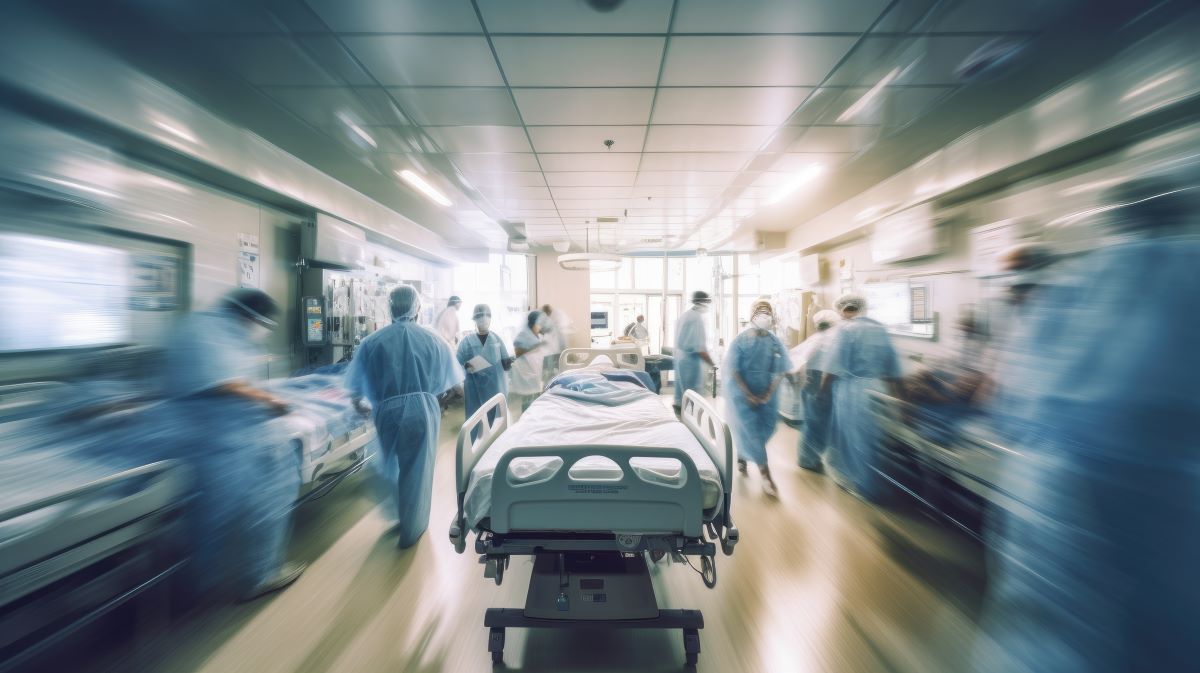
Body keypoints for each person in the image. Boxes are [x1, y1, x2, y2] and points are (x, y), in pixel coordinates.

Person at [973, 178, 1200, 673]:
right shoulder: (1192, 270)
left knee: (1055, 622)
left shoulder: (1078, 281)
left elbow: (1013, 398)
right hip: (1178, 483)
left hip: (1064, 478)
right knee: (1171, 626)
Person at [161, 288, 304, 602]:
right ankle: (261, 574)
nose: (260, 331)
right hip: (228, 441)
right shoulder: (214, 331)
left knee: (208, 514)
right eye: (261, 324)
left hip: (208, 437)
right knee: (269, 501)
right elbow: (226, 383)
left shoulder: (200, 324)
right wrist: (272, 401)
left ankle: (199, 582)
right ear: (250, 316)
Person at [346, 285, 463, 548]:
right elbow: (454, 385)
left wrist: (361, 407)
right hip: (422, 409)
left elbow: (354, 389)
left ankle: (398, 513)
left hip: (386, 410)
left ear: (389, 308)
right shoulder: (434, 340)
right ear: (417, 308)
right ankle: (412, 528)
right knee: (417, 469)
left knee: (389, 465)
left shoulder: (372, 342)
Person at [819, 292, 902, 499]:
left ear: (842, 310)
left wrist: (822, 390)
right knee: (872, 439)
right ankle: (871, 482)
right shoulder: (879, 329)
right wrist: (898, 400)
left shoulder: (845, 330)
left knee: (852, 438)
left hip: (852, 391)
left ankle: (859, 483)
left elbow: (832, 366)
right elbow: (892, 368)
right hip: (878, 391)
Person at [725, 300, 791, 497]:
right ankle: (766, 476)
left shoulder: (774, 341)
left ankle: (742, 454)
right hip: (742, 394)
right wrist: (748, 394)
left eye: (767, 311)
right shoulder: (741, 340)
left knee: (764, 430)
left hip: (766, 395)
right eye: (760, 311)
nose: (764, 315)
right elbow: (733, 369)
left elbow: (782, 368)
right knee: (752, 431)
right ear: (752, 315)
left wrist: (769, 392)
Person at [792, 309, 840, 472]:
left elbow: (796, 361)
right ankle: (808, 460)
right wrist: (822, 390)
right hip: (820, 385)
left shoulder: (814, 339)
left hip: (810, 383)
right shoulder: (829, 341)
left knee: (812, 421)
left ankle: (809, 458)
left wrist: (800, 380)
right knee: (817, 423)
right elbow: (830, 369)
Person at [456, 304, 512, 437]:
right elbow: (455, 365)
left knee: (497, 422)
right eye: (480, 316)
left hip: (496, 389)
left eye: (486, 316)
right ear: (474, 320)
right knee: (476, 422)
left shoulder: (497, 339)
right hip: (474, 391)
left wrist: (509, 361)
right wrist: (466, 367)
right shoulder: (466, 342)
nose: (483, 319)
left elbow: (506, 365)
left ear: (491, 319)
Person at [673, 291, 715, 414]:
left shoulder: (684, 316)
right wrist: (713, 364)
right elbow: (700, 349)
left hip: (680, 359)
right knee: (692, 393)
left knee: (682, 391)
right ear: (703, 302)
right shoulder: (697, 319)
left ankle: (681, 409)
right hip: (691, 363)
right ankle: (690, 416)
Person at [510, 310, 546, 413]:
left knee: (535, 400)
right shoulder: (523, 335)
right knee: (527, 401)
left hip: (535, 372)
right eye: (538, 324)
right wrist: (533, 348)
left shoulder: (537, 335)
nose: (540, 327)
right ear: (532, 323)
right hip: (526, 373)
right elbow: (517, 352)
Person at [539, 304, 570, 383]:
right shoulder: (548, 319)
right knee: (550, 366)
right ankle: (550, 379)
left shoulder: (558, 316)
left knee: (556, 365)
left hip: (556, 347)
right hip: (550, 348)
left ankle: (554, 379)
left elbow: (558, 331)